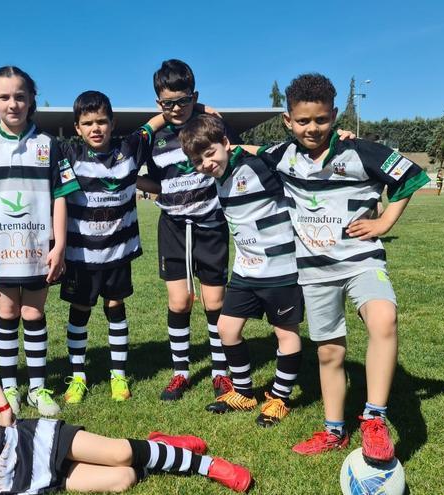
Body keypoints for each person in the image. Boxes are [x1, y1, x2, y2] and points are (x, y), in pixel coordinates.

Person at [258, 74, 429, 465]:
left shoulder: (361, 151)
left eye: (321, 119)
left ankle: (374, 418)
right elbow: (241, 152)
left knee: (384, 319)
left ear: (334, 116)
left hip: (360, 260)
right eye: (303, 121)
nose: (312, 128)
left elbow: (411, 176)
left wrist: (384, 224)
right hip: (314, 272)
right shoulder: (281, 155)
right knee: (330, 352)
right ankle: (334, 429)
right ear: (288, 120)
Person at [0, 355, 252, 494]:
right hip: (29, 481)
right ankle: (159, 445)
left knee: (121, 452)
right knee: (123, 478)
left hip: (37, 440)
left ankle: (206, 465)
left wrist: (0, 403)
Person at [0, 66, 78, 417]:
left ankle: (37, 387)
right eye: (4, 97)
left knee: (34, 313)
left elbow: (60, 197)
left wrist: (59, 245)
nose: (13, 103)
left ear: (31, 98)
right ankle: (9, 386)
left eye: (20, 96)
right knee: (6, 312)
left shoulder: (48, 144)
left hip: (38, 249)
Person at [179, 114, 304, 428]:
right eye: (198, 161)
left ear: (225, 144)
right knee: (227, 329)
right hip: (245, 272)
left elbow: (298, 149)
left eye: (211, 154)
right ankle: (245, 392)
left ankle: (279, 399)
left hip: (281, 270)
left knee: (285, 334)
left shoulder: (258, 165)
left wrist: (338, 136)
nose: (206, 164)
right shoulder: (219, 178)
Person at [56, 91, 167, 404]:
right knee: (80, 311)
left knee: (115, 308)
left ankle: (118, 375)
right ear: (77, 127)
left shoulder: (129, 147)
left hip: (118, 253)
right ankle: (77, 376)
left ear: (112, 123)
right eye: (88, 123)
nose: (96, 128)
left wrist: (195, 106)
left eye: (102, 121)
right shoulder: (67, 152)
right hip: (80, 256)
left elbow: (155, 122)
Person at [144, 59, 237, 401]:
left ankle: (220, 372)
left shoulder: (211, 126)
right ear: (159, 103)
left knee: (215, 301)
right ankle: (181, 371)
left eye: (184, 100)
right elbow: (152, 179)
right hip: (173, 226)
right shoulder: (153, 137)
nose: (177, 108)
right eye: (169, 103)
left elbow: (235, 155)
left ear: (194, 96)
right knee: (180, 301)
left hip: (211, 225)